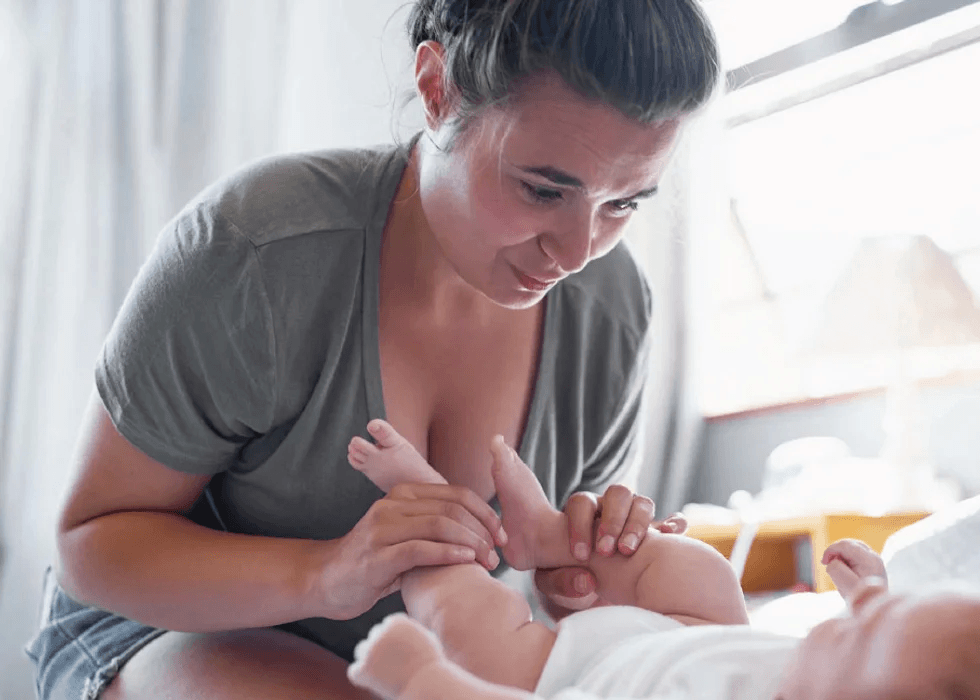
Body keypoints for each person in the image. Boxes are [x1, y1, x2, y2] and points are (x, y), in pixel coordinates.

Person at [26, 2, 721, 699]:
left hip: (429, 649)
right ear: (436, 90)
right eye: (542, 189)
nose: (575, 251)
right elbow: (94, 544)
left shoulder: (612, 309)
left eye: (623, 205)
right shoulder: (252, 251)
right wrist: (326, 572)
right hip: (166, 628)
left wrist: (597, 568)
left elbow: (555, 600)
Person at [343, 420, 980, 700]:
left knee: (478, 631)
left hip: (574, 671)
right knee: (693, 567)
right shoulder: (831, 675)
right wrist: (869, 593)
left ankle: (427, 507)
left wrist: (426, 680)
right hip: (695, 629)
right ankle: (541, 537)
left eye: (868, 630)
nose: (861, 617)